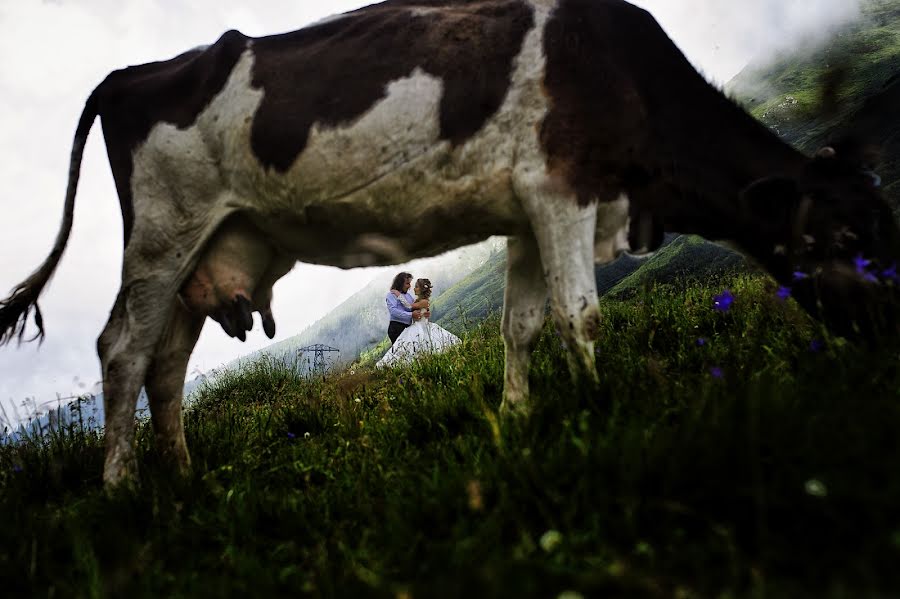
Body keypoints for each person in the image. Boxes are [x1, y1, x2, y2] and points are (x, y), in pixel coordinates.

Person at [377, 277, 460, 368]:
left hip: (421, 326)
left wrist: (397, 294)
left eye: (416, 287)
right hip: (416, 325)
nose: (414, 288)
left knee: (423, 344)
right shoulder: (417, 301)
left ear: (421, 289)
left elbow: (408, 306)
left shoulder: (424, 301)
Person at [384, 271, 429, 345]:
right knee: (400, 350)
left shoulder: (408, 296)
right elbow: (393, 311)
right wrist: (411, 315)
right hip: (396, 327)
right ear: (400, 283)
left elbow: (410, 307)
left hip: (409, 327)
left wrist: (424, 313)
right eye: (407, 283)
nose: (410, 286)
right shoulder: (391, 295)